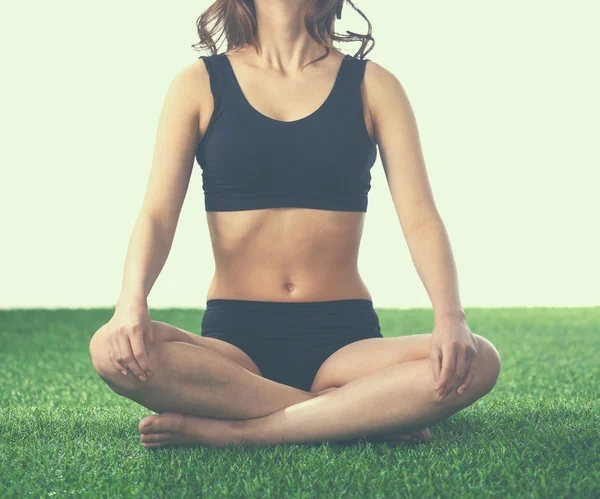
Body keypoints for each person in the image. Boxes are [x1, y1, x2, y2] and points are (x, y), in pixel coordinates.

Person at [89, 0, 501, 449]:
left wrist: (449, 317)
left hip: (345, 344)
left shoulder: (373, 85)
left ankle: (246, 432)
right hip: (236, 347)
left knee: (479, 360)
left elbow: (420, 219)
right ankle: (354, 413)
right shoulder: (198, 84)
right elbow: (156, 215)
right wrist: (131, 301)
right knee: (109, 350)